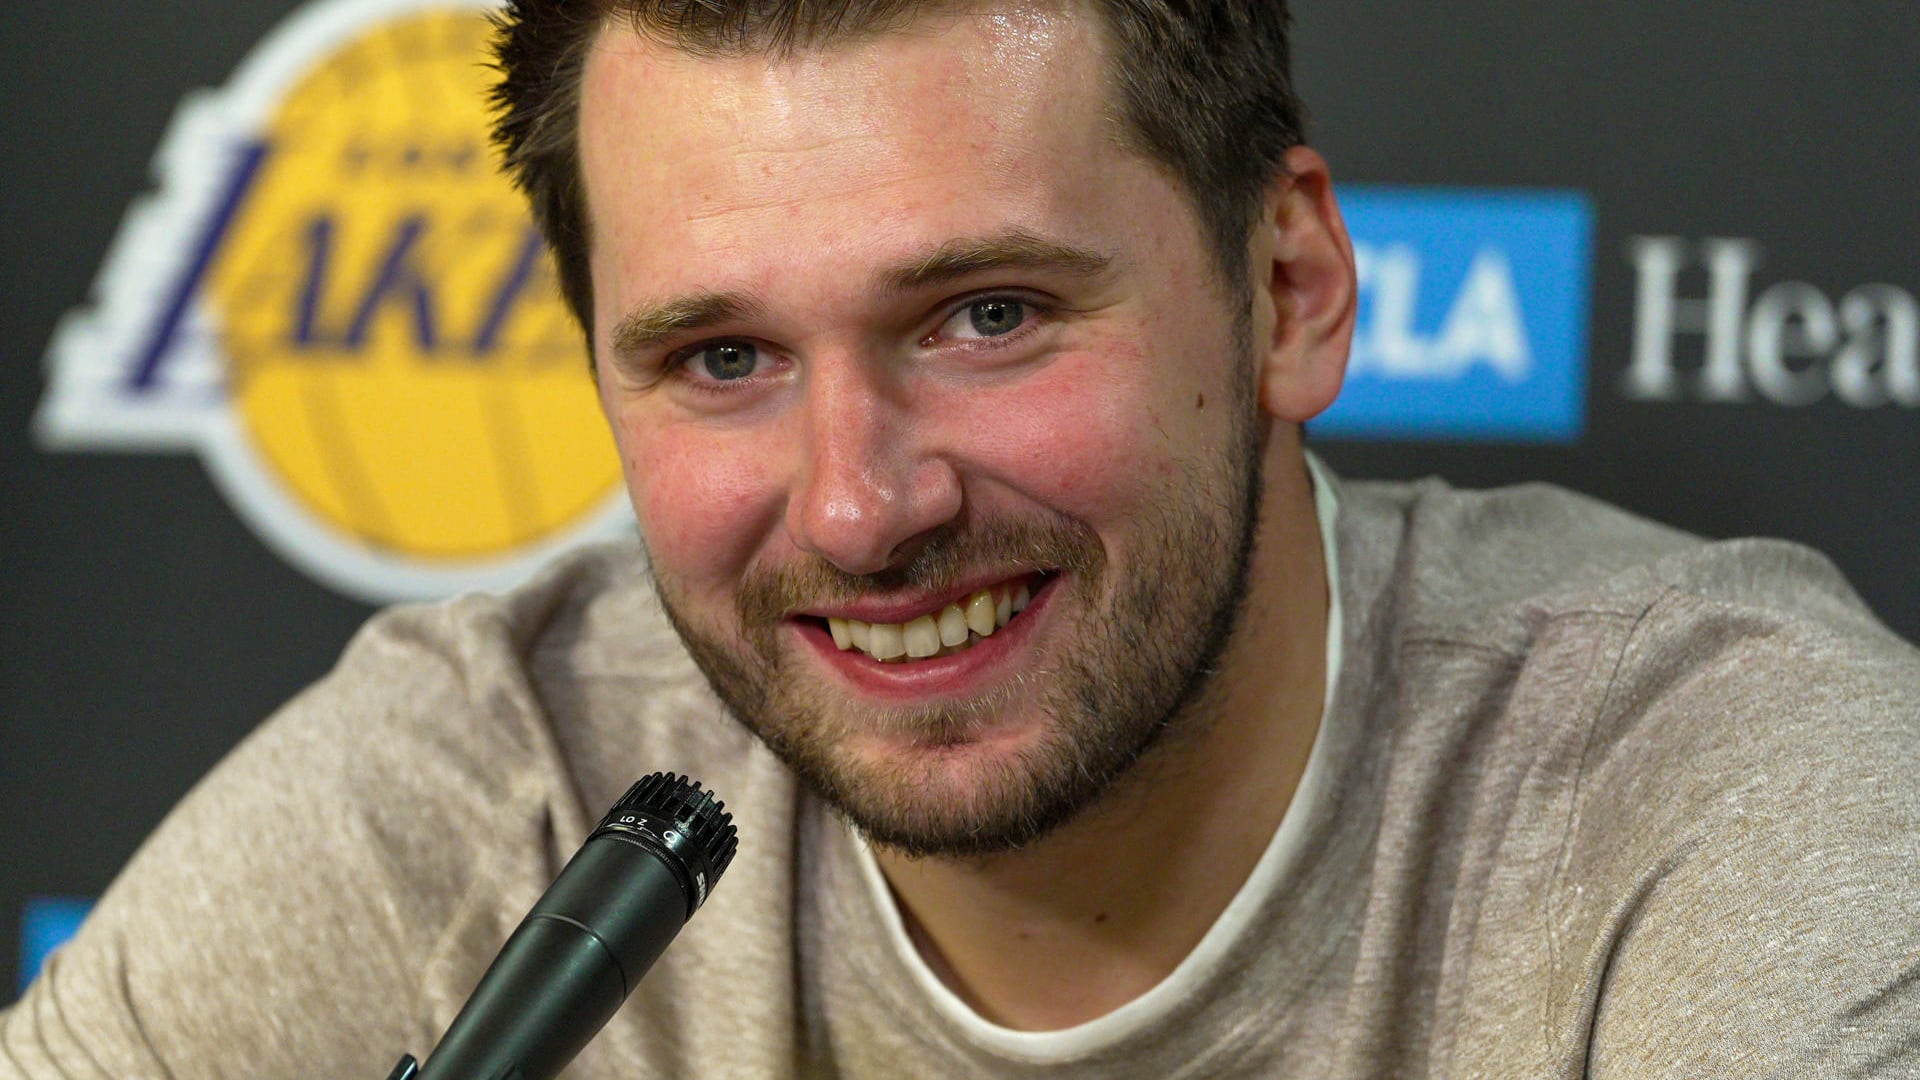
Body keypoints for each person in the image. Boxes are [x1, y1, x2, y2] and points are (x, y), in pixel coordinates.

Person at [7, 0, 1919, 1075]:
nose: (859, 502)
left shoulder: (1726, 797)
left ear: (1291, 283)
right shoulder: (491, 780)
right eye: (724, 354)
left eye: (985, 315)